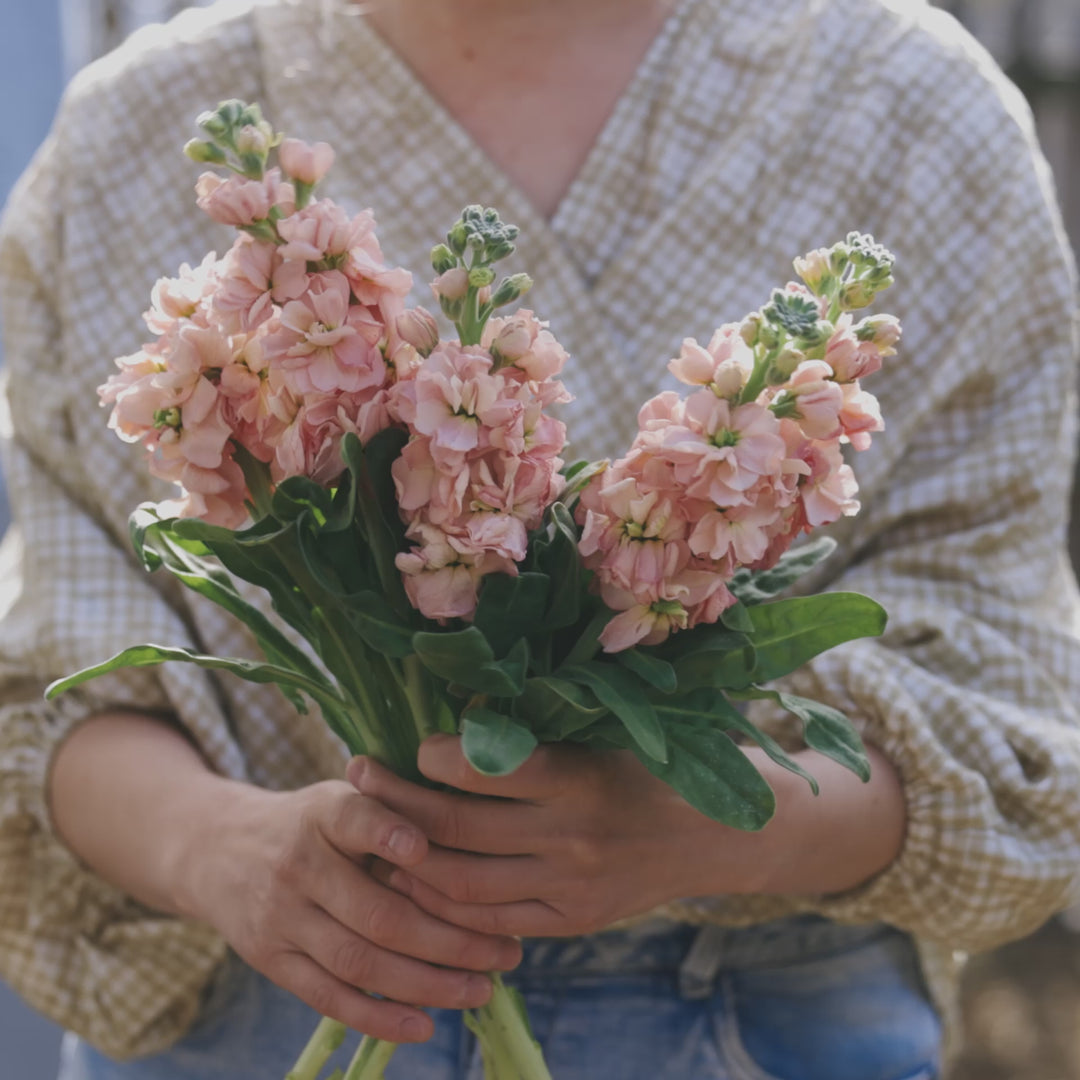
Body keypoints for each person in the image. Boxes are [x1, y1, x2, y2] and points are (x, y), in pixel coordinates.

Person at [1, 0, 1078, 1077]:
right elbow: (54, 678)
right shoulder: (134, 127)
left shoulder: (914, 108)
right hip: (261, 1003)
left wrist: (709, 819)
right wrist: (215, 847)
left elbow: (1010, 700)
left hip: (759, 1014)